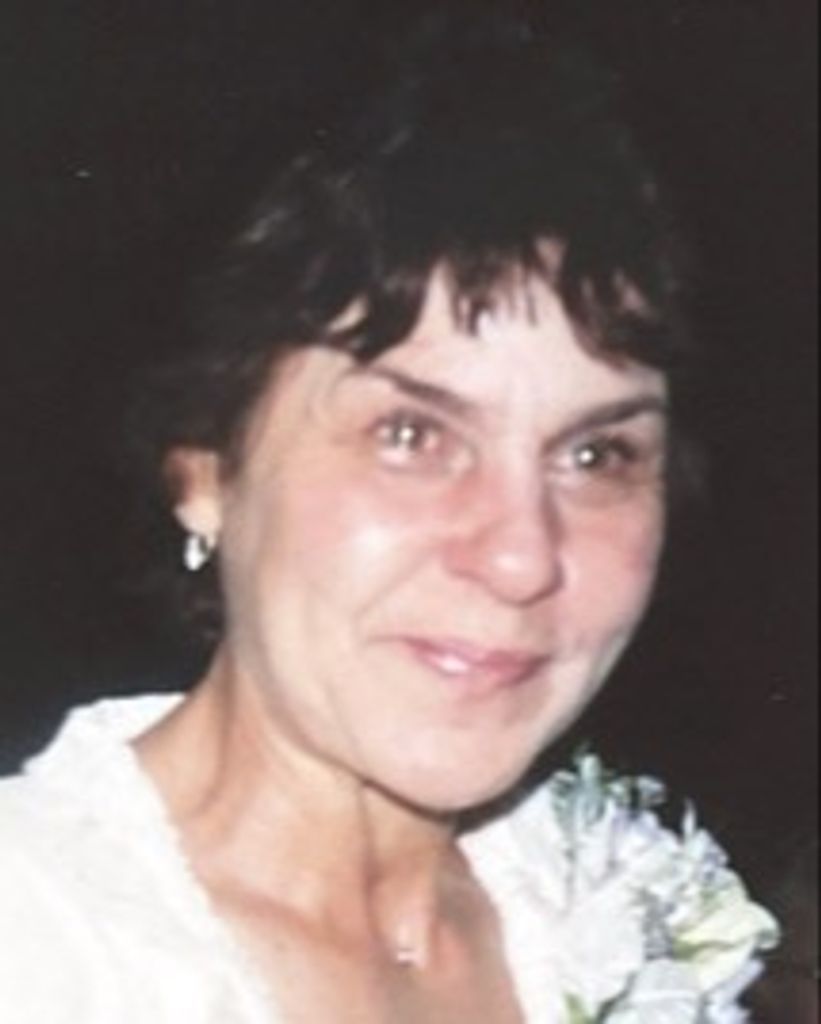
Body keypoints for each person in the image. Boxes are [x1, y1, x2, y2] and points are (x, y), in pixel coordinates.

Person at [0, 13, 778, 1023]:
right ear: (205, 468)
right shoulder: (39, 948)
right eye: (411, 435)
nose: (520, 556)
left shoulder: (611, 906)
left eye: (596, 455)